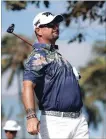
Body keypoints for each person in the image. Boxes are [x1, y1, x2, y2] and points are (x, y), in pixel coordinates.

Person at [22, 11, 89, 138]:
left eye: (56, 24)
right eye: (50, 24)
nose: (55, 27)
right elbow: (27, 85)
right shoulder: (38, 56)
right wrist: (31, 116)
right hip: (56, 123)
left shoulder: (57, 56)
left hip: (79, 120)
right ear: (38, 30)